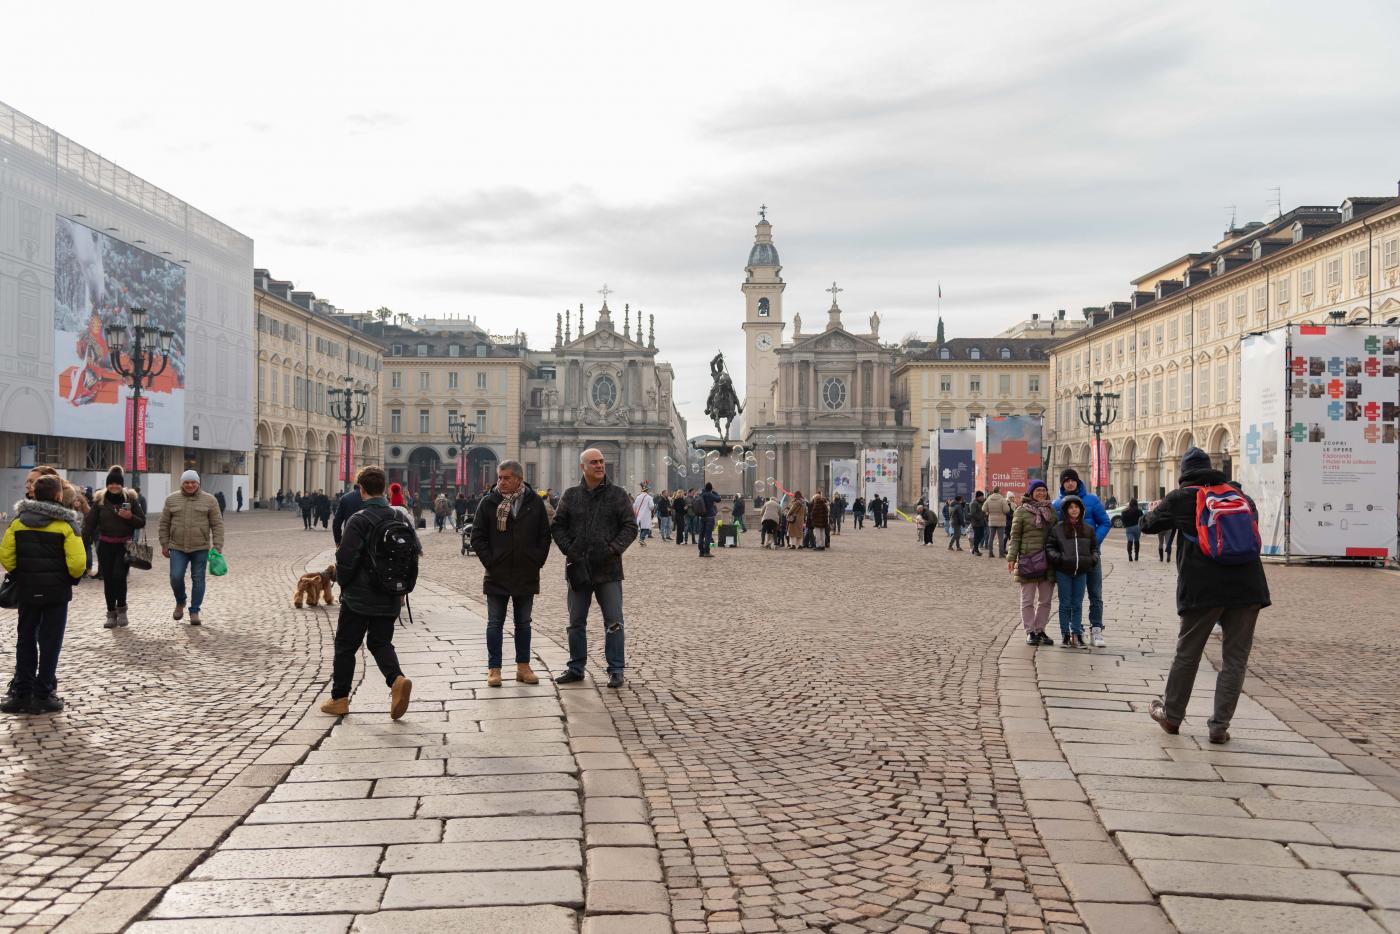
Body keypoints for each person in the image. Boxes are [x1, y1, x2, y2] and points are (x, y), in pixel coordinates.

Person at [1143, 448, 1270, 745]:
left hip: (1202, 589)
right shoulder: (1240, 496)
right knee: (1235, 660)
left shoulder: (1181, 496)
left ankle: (1172, 717)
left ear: (1184, 473)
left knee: (1188, 654)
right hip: (1248, 587)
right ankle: (1219, 726)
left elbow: (1148, 525)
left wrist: (1157, 508)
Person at [319, 465, 414, 719]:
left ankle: (339, 698)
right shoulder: (400, 517)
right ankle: (396, 679)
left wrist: (345, 585)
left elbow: (346, 560)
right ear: (383, 488)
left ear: (361, 489)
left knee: (346, 645)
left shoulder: (359, 519)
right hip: (391, 593)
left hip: (360, 597)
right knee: (380, 641)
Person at [551, 448, 638, 689]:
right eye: (594, 462)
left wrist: (612, 549)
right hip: (578, 567)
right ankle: (576, 667)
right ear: (583, 467)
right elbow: (557, 526)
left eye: (601, 461)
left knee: (614, 622)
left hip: (608, 568)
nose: (599, 465)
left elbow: (630, 527)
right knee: (575, 622)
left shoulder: (618, 495)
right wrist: (570, 549)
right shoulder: (570, 495)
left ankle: (616, 669)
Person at [1, 475, 86, 714]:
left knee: (25, 639)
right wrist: (69, 579)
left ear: (34, 495)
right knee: (50, 642)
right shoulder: (67, 524)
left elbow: (6, 555)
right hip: (56, 592)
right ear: (59, 495)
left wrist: (21, 573)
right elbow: (78, 562)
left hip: (27, 590)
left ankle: (21, 693)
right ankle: (43, 693)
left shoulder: (18, 522)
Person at [471, 460, 550, 688]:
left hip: (526, 571)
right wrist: (491, 561)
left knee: (523, 623)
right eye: (499, 477)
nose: (501, 482)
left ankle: (523, 667)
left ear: (518, 478)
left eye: (506, 478)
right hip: (497, 572)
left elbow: (544, 535)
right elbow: (478, 536)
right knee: (495, 623)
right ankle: (494, 668)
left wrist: (536, 560)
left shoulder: (534, 502)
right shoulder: (489, 502)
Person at [1053, 469, 1112, 648]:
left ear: (1078, 482)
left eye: (1073, 480)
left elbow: (1105, 522)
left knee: (1095, 593)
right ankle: (1074, 631)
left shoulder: (1092, 500)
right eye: (1066, 481)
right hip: (1069, 559)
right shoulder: (1057, 505)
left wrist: (1092, 543)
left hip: (1091, 556)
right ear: (1062, 484)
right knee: (1071, 598)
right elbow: (1054, 532)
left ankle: (1096, 628)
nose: (1070, 483)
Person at [158, 470, 224, 626]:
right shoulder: (171, 499)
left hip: (200, 547)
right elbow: (164, 523)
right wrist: (164, 543)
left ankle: (194, 610)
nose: (190, 485)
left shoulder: (210, 500)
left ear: (198, 483)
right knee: (175, 576)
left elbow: (217, 524)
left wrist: (217, 545)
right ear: (182, 483)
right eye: (187, 482)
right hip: (177, 546)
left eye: (193, 482)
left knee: (198, 579)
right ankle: (180, 601)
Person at [83, 466, 145, 628]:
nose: (114, 486)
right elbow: (90, 523)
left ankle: (122, 609)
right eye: (111, 483)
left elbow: (142, 521)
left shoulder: (130, 499)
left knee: (119, 576)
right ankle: (111, 613)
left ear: (122, 485)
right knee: (109, 580)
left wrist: (130, 516)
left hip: (124, 545)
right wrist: (83, 540)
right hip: (105, 546)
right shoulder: (100, 501)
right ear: (107, 484)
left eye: (117, 483)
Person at [1007, 480, 1057, 646]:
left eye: (1043, 490)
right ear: (1031, 492)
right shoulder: (1021, 512)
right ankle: (1030, 632)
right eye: (1038, 490)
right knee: (1027, 599)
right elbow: (1015, 537)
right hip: (1028, 560)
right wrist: (1011, 558)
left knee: (1045, 600)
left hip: (1048, 561)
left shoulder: (1051, 511)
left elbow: (1057, 536)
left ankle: (1040, 629)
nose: (1041, 493)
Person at [1046, 494, 1097, 649]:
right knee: (1065, 604)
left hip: (1081, 571)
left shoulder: (1088, 529)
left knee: (1077, 604)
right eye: (1071, 507)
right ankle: (1065, 635)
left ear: (1081, 510)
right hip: (1064, 571)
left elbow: (1094, 548)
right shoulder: (1058, 529)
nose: (1074, 510)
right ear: (1066, 510)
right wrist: (1060, 559)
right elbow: (1050, 547)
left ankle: (1077, 634)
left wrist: (1090, 560)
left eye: (1076, 507)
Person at [697, 482, 722, 557]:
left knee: (701, 535)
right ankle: (707, 552)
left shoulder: (702, 494)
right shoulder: (710, 494)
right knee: (708, 535)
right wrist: (714, 491)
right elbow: (718, 499)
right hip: (709, 517)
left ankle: (701, 552)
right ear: (711, 488)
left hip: (702, 517)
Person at [984, 487, 1009, 559]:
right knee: (1000, 538)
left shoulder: (989, 498)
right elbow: (1006, 510)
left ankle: (990, 553)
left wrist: (989, 511)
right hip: (1001, 521)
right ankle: (1001, 554)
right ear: (999, 491)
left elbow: (983, 508)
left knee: (990, 537)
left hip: (991, 520)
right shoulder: (1002, 499)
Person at [969, 491, 988, 555]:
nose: (983, 497)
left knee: (981, 536)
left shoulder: (982, 503)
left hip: (982, 523)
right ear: (978, 497)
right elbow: (973, 513)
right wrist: (980, 517)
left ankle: (974, 549)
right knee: (977, 536)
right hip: (976, 523)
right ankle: (976, 551)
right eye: (982, 496)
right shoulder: (974, 503)